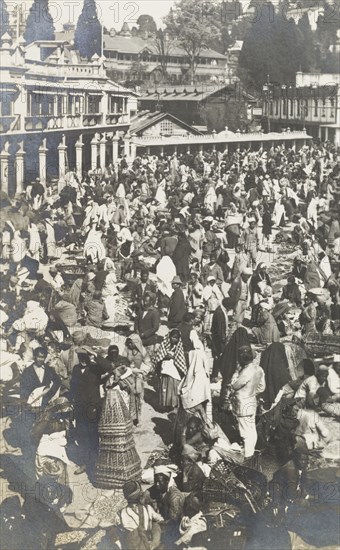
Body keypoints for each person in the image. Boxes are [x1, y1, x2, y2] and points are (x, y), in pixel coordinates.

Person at [230, 346, 266, 458]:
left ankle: (248, 456)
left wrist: (236, 372)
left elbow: (234, 386)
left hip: (242, 404)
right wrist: (253, 392)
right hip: (252, 402)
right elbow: (262, 387)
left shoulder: (245, 372)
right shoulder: (259, 369)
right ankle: (250, 453)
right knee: (251, 430)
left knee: (245, 433)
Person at [118, 480, 164, 550]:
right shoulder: (148, 508)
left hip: (132, 546)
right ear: (139, 495)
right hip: (149, 544)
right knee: (156, 525)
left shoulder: (121, 513)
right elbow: (160, 520)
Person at [155, 329, 187, 410]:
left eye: (176, 338)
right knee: (165, 386)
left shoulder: (180, 347)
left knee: (173, 387)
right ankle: (166, 404)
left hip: (174, 371)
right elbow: (159, 356)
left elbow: (181, 359)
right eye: (172, 337)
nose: (174, 339)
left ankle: (174, 404)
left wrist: (174, 357)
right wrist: (166, 357)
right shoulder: (165, 345)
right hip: (165, 369)